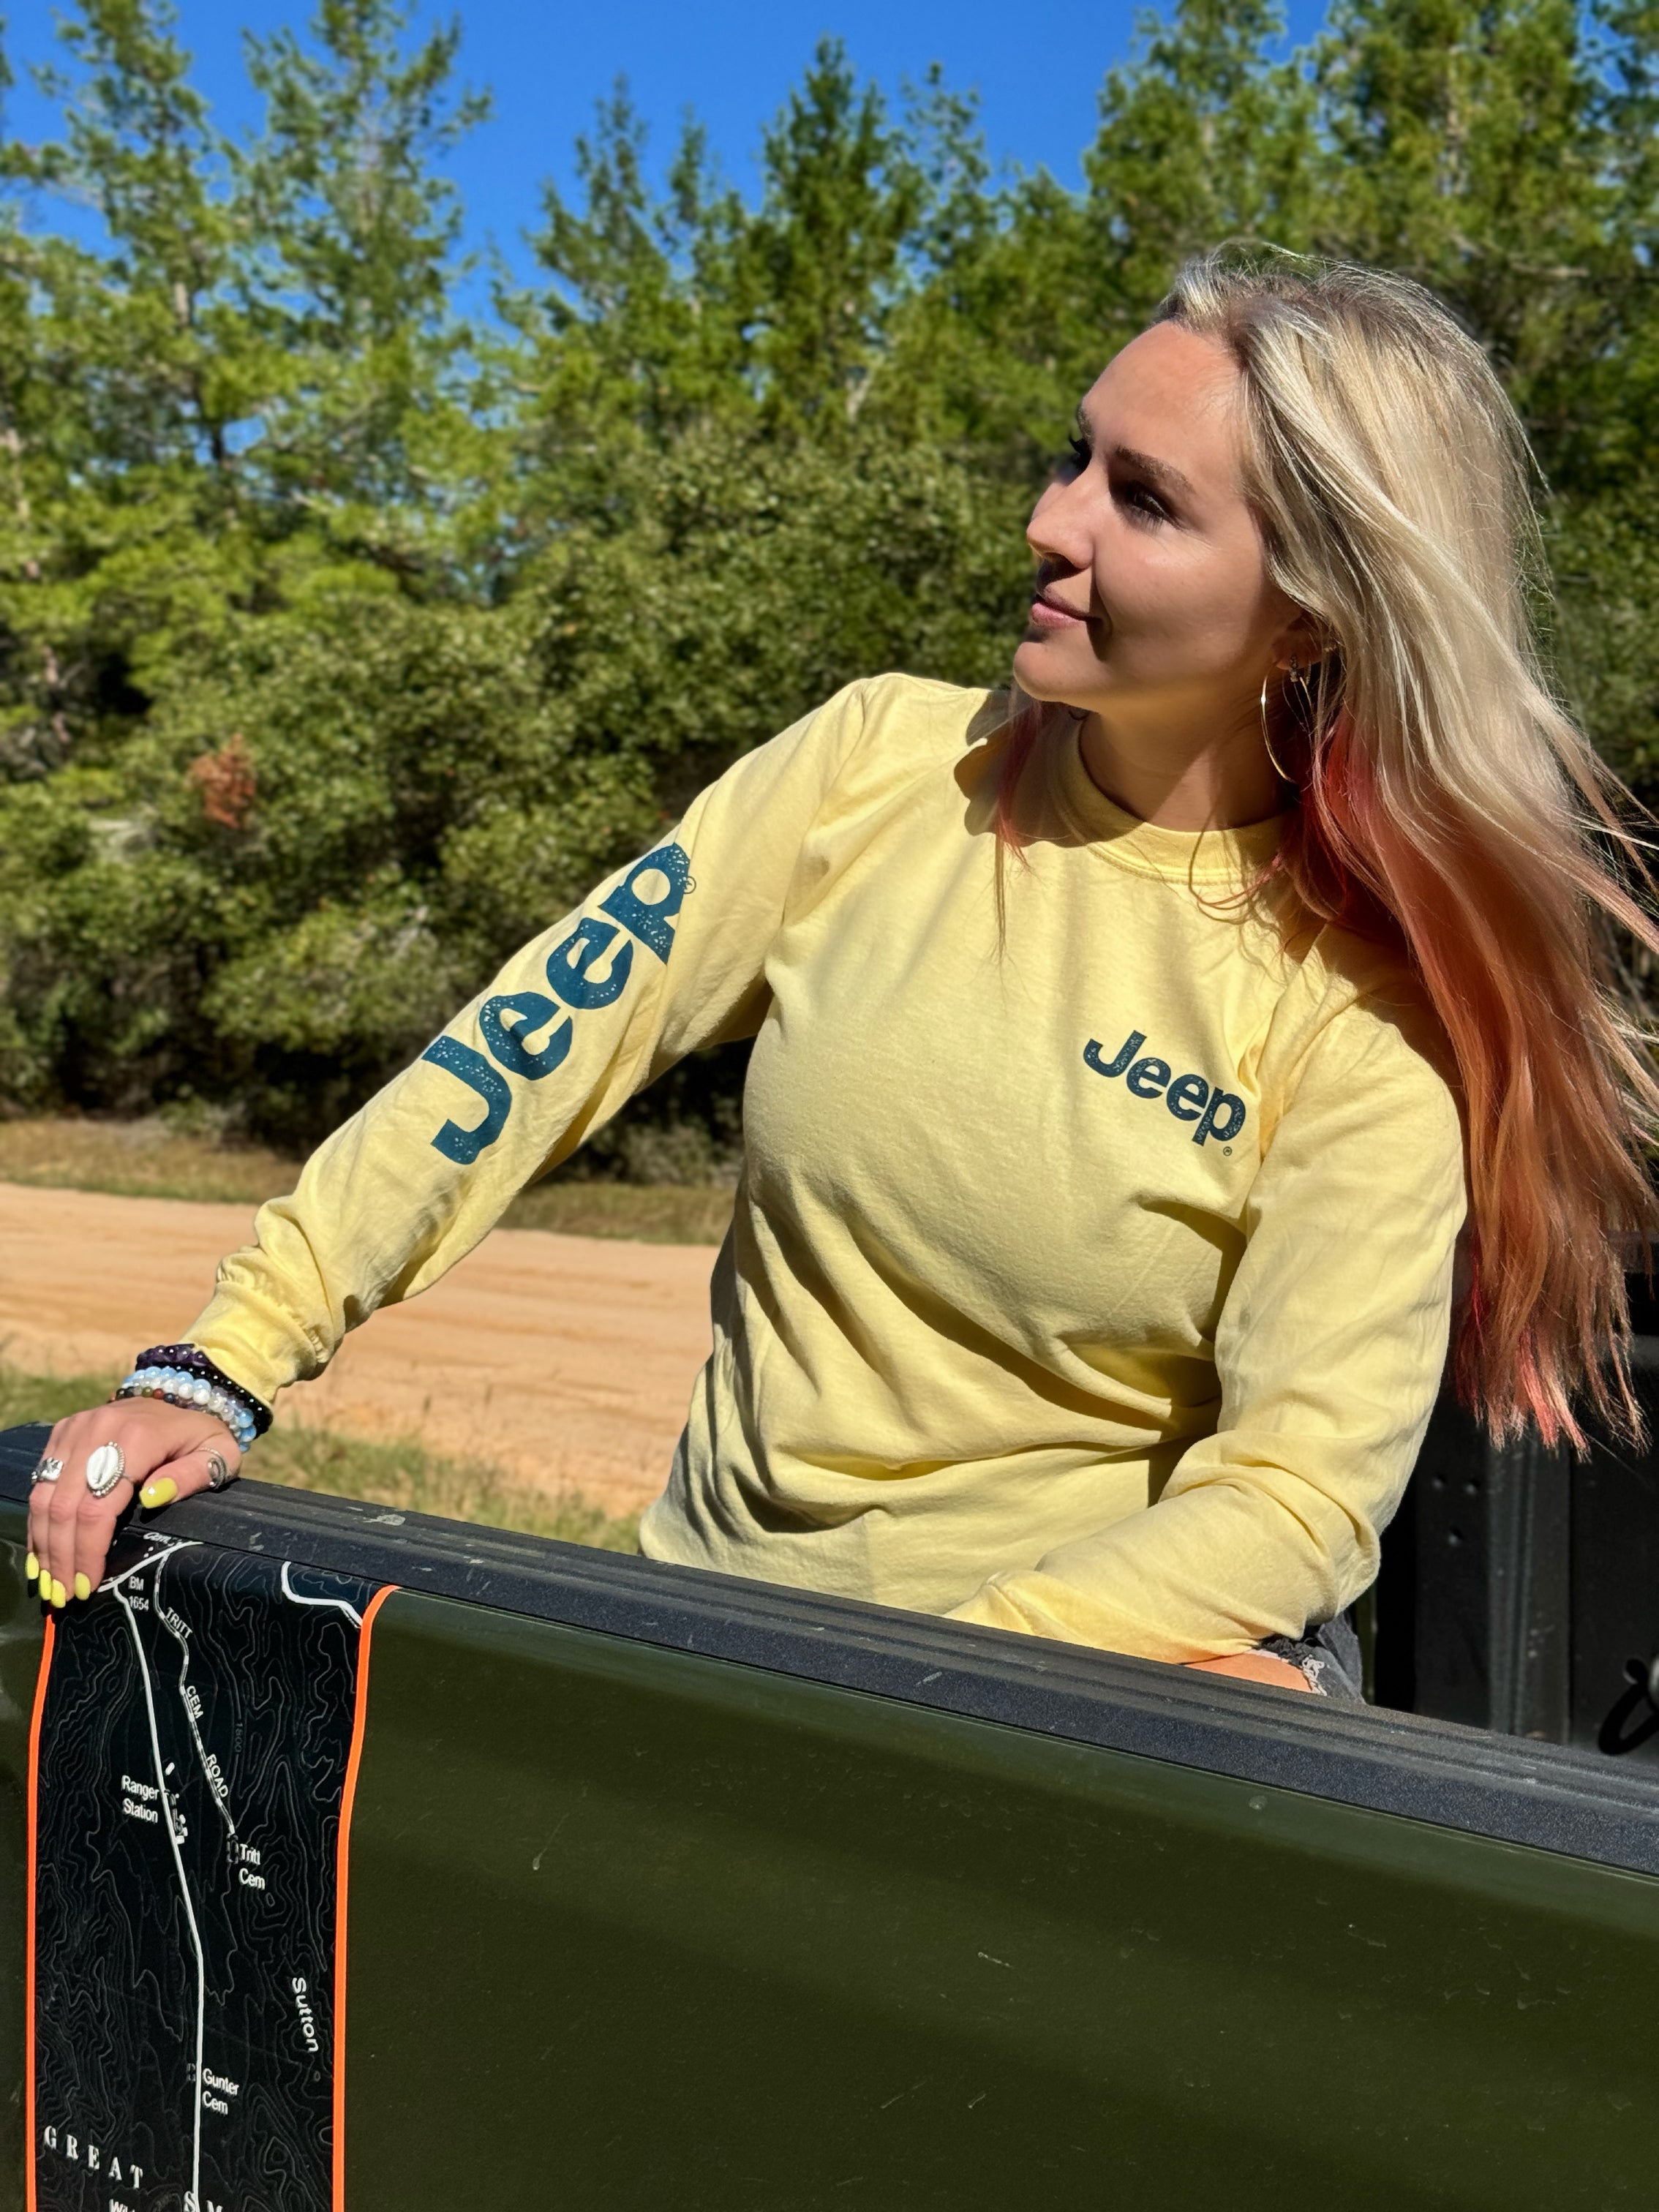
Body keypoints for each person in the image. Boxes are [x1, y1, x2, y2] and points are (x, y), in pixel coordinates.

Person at [26, 248, 1659, 1701]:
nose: (1051, 519)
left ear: (1308, 617)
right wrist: (226, 1355)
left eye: (1144, 500)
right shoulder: (873, 763)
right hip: (700, 1654)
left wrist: (928, 1696)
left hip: (1027, 1739)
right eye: (1072, 456)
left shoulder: (1355, 1023)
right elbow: (527, 1050)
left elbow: (1295, 1494)